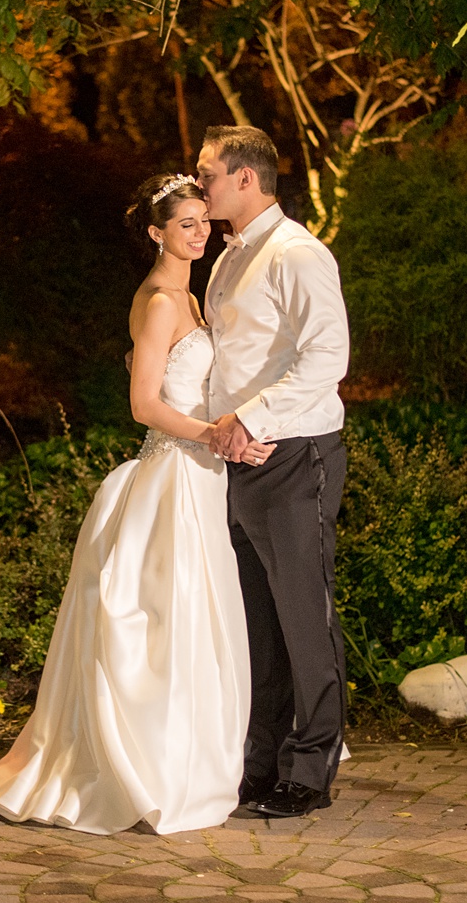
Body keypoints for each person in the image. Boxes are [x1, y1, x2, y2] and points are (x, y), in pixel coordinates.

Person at [0, 173, 272, 835]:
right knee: (161, 628)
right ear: (155, 233)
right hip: (172, 479)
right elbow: (144, 404)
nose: (199, 232)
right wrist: (212, 434)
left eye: (202, 221)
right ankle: (147, 769)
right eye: (185, 224)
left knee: (202, 628)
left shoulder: (195, 300)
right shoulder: (162, 301)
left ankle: (198, 762)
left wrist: (235, 431)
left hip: (205, 475)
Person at [197, 125, 351, 819]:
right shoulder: (227, 260)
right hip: (239, 459)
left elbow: (327, 357)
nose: (199, 186)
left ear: (245, 180)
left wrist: (252, 421)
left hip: (294, 455)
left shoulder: (299, 254)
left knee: (303, 617)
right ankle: (260, 763)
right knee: (259, 623)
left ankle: (311, 769)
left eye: (207, 175)